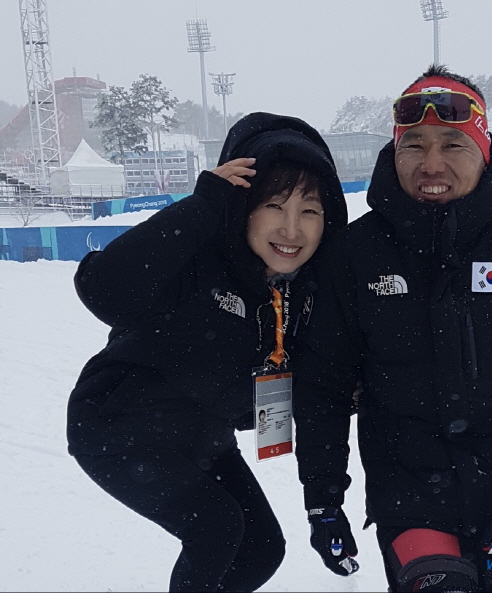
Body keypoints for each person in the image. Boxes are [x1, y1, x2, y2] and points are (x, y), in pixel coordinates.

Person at [293, 65, 492, 593]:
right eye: (413, 144)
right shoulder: (351, 253)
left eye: (453, 144)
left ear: (484, 150)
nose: (430, 163)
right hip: (410, 499)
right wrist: (322, 498)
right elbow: (321, 384)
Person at [66, 112, 347, 592]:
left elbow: (263, 387)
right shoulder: (196, 260)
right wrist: (200, 207)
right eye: (274, 206)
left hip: (202, 438)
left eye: (309, 211)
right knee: (216, 530)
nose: (291, 229)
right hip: (117, 430)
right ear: (242, 206)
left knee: (263, 548)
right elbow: (103, 290)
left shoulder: (298, 293)